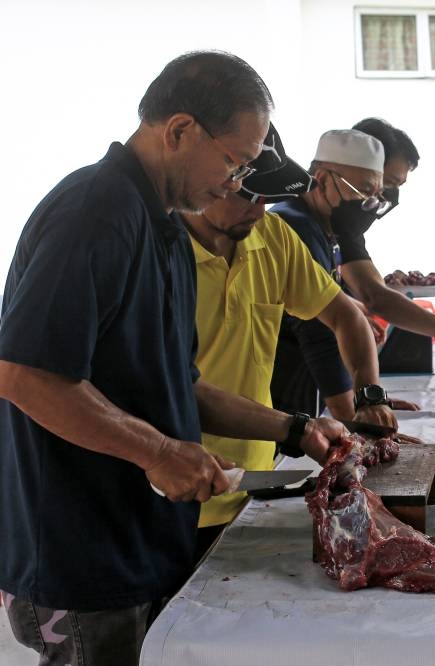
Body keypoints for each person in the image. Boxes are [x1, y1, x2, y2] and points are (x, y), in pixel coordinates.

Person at [0, 52, 346, 666]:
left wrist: (294, 429)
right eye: (234, 162)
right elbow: (24, 374)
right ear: (180, 130)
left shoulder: (165, 228)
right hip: (82, 551)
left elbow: (179, 385)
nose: (237, 183)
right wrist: (158, 452)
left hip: (144, 540)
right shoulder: (94, 211)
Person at [180, 123, 396, 548]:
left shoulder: (272, 237)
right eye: (248, 193)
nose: (260, 211)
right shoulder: (164, 252)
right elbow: (181, 387)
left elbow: (346, 317)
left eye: (268, 197)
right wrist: (298, 427)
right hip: (182, 482)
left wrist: (369, 394)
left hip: (253, 486)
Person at [270, 129, 435, 420]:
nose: (368, 206)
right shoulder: (293, 226)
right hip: (286, 397)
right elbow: (323, 328)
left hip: (310, 393)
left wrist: (368, 400)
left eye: (377, 194)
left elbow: (349, 307)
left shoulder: (327, 226)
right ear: (324, 178)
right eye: (363, 191)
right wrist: (359, 413)